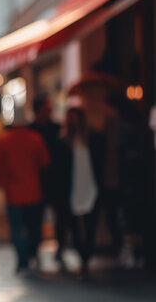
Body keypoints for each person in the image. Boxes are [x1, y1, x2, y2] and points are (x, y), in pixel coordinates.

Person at [0, 109, 50, 273]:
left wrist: (1, 183)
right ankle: (32, 253)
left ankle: (22, 261)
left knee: (16, 229)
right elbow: (45, 162)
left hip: (12, 193)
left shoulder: (3, 140)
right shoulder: (34, 138)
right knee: (34, 227)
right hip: (34, 191)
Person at [29, 96, 70, 267]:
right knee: (36, 219)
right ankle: (35, 252)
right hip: (37, 181)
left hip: (58, 180)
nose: (49, 112)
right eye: (47, 108)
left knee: (61, 217)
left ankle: (60, 249)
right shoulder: (30, 130)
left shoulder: (57, 128)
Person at [61, 107, 102, 277]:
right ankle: (81, 252)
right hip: (72, 187)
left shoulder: (92, 138)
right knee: (74, 223)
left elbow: (101, 160)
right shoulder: (64, 141)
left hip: (90, 184)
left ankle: (87, 255)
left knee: (91, 221)